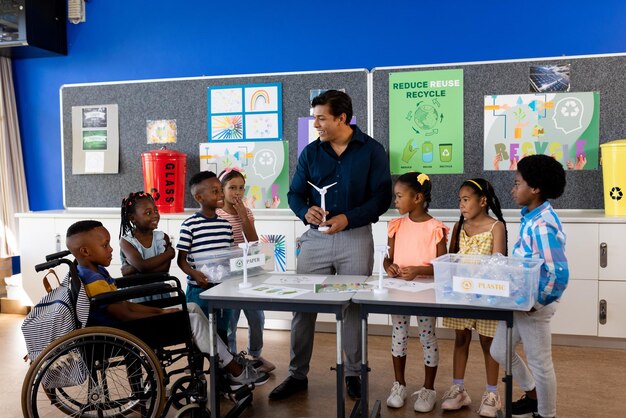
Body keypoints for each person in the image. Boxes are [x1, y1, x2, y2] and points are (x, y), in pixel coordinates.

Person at [270, 90, 392, 401]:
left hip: (356, 236)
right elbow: (295, 194)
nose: (316, 125)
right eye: (315, 118)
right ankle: (297, 374)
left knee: (353, 306)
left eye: (321, 118)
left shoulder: (372, 151)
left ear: (341, 118)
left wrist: (347, 219)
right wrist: (304, 211)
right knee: (302, 307)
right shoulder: (310, 153)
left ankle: (353, 373)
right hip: (315, 239)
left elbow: (382, 197)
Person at [65, 220, 268, 388]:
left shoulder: (92, 272)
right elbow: (125, 314)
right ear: (85, 251)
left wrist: (160, 310)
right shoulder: (95, 282)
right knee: (194, 321)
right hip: (125, 332)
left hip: (125, 326)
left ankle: (228, 361)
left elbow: (125, 305)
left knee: (193, 309)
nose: (110, 249)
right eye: (105, 245)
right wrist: (160, 315)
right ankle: (234, 369)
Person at [490, 155, 569, 418]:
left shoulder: (542, 225)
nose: (513, 189)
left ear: (535, 189)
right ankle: (533, 396)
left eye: (517, 183)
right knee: (499, 350)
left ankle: (546, 414)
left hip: (535, 304)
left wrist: (535, 302)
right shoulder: (532, 217)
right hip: (521, 299)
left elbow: (558, 274)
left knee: (540, 363)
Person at [440, 178, 507, 417]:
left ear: (483, 201)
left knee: (489, 343)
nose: (462, 205)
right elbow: (450, 261)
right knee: (460, 339)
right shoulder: (459, 227)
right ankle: (458, 389)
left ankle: (492, 394)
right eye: (460, 200)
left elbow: (499, 263)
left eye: (466, 200)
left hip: (487, 296)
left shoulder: (495, 227)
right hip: (461, 296)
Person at [383, 172, 448, 413]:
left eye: (399, 196)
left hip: (425, 294)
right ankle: (399, 384)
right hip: (399, 291)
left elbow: (443, 267)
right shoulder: (396, 225)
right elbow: (388, 258)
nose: (396, 201)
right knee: (398, 334)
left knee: (426, 337)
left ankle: (428, 389)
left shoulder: (435, 228)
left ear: (418, 197)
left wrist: (420, 269)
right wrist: (388, 267)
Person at [217, 167, 276, 374]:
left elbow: (252, 241)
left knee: (256, 316)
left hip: (248, 270)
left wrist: (243, 216)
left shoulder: (246, 211)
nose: (237, 192)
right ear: (222, 189)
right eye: (232, 187)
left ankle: (255, 355)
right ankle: (232, 360)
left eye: (241, 188)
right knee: (231, 319)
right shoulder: (217, 214)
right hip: (228, 273)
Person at [177, 171, 234, 343]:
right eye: (215, 191)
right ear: (199, 197)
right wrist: (194, 274)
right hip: (199, 290)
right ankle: (198, 370)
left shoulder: (225, 225)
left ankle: (220, 369)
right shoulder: (189, 225)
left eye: (220, 190)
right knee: (198, 335)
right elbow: (181, 259)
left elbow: (229, 256)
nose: (221, 194)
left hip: (223, 289)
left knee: (221, 332)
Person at [118, 191, 174, 303]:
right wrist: (169, 254)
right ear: (132, 218)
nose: (155, 215)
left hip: (158, 292)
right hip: (136, 295)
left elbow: (164, 270)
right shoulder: (126, 241)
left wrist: (133, 269)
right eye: (148, 213)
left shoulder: (162, 237)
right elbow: (142, 266)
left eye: (156, 211)